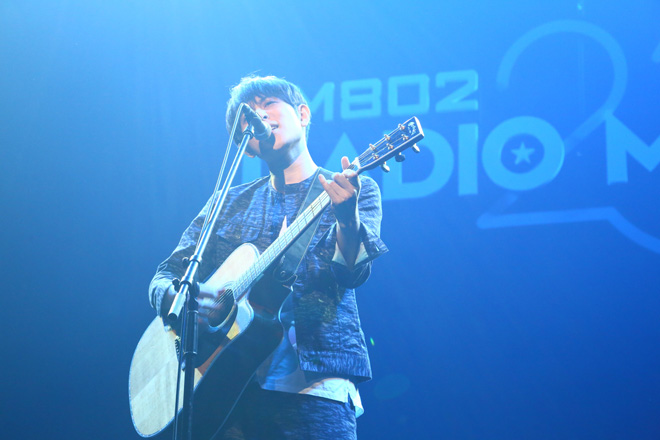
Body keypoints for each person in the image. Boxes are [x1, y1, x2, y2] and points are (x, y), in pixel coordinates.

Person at [149, 75, 387, 439]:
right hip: (224, 393)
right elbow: (165, 275)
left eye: (269, 103)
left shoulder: (355, 190)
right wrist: (179, 302)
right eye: (248, 115)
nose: (259, 114)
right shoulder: (227, 203)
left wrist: (347, 220)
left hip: (314, 391)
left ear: (303, 114)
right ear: (246, 147)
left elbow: (352, 274)